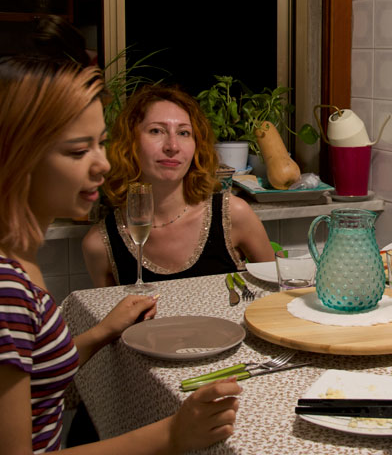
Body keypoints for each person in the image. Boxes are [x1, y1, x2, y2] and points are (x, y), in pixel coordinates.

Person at [0, 56, 241, 453]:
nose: (103, 164)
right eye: (79, 151)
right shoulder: (8, 288)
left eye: (100, 143)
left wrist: (102, 331)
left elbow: (34, 372)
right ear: (18, 157)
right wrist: (172, 434)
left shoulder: (22, 260)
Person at [83, 85, 274, 287]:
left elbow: (275, 296)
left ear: (196, 145)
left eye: (184, 133)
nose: (172, 146)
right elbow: (109, 315)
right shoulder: (100, 245)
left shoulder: (234, 214)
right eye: (156, 131)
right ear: (130, 143)